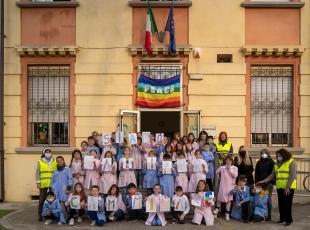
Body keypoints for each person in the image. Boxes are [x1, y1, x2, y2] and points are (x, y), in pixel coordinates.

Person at [257, 148, 297, 226]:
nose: (278, 157)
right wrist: (264, 181)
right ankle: (282, 219)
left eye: (279, 155)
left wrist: (287, 187)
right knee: (281, 204)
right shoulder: (277, 163)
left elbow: (292, 176)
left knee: (287, 204)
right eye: (277, 156)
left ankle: (288, 220)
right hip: (280, 187)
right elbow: (272, 175)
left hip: (288, 187)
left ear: (284, 155)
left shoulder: (291, 162)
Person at [36, 147, 57, 221]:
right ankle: (40, 215)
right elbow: (37, 172)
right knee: (42, 199)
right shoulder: (40, 161)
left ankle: (53, 214)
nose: (48, 153)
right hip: (43, 183)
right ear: (43, 153)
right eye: (46, 152)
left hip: (52, 183)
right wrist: (38, 182)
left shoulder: (54, 161)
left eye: (49, 152)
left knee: (53, 199)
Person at [215, 155, 238, 220]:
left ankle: (227, 213)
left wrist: (229, 169)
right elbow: (217, 172)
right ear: (225, 160)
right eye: (227, 160)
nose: (228, 161)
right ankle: (216, 212)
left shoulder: (234, 168)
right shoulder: (222, 167)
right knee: (220, 199)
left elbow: (235, 175)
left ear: (231, 161)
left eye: (230, 160)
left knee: (229, 201)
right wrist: (219, 178)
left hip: (230, 186)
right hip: (222, 186)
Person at [254, 149, 275, 221]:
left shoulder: (271, 162)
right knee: (260, 199)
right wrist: (256, 183)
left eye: (265, 153)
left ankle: (269, 215)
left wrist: (271, 182)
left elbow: (273, 174)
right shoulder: (259, 162)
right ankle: (262, 214)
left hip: (268, 184)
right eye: (262, 153)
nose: (263, 154)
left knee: (268, 199)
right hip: (260, 185)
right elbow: (256, 174)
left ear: (268, 154)